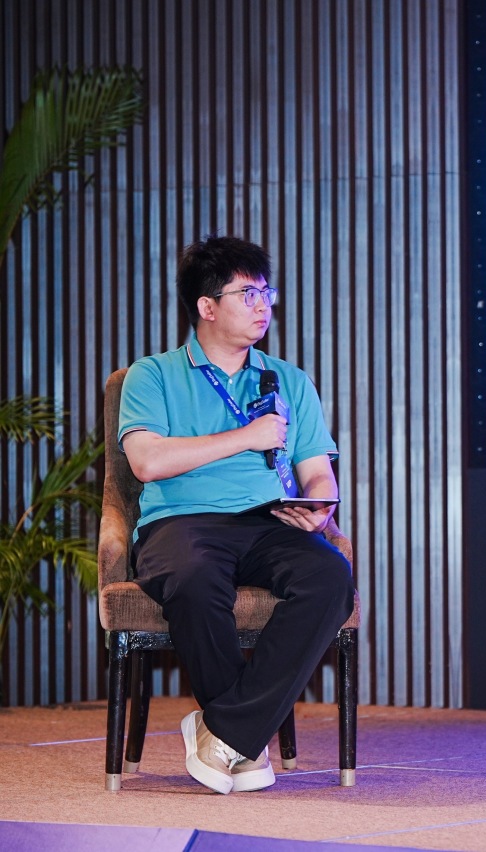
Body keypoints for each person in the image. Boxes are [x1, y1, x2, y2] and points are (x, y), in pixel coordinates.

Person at [118, 236, 355, 794]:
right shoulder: (152, 375)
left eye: (265, 292)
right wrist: (246, 436)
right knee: (195, 579)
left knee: (329, 576)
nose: (261, 305)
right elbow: (147, 461)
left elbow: (317, 471)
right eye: (247, 294)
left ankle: (225, 731)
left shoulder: (288, 380)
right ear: (207, 305)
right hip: (180, 522)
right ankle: (245, 739)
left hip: (270, 520)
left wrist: (320, 507)